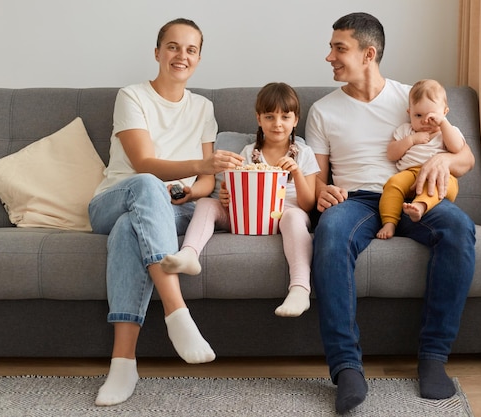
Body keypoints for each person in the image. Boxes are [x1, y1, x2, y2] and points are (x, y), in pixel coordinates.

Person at [304, 12, 476, 414]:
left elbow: (464, 156)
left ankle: (433, 359)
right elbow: (317, 181)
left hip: (416, 193)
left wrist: (444, 164)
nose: (329, 56)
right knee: (329, 234)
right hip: (358, 201)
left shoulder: (411, 97)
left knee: (459, 228)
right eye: (331, 47)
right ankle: (346, 368)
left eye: (338, 48)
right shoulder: (323, 110)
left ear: (369, 53)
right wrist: (322, 194)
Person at [87, 18, 243, 407]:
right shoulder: (132, 96)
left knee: (129, 230)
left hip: (173, 208)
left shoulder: (204, 107)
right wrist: (199, 168)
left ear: (199, 58)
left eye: (191, 50)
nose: (181, 56)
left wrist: (193, 188)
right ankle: (178, 314)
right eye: (173, 47)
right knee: (145, 184)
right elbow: (142, 161)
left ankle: (122, 364)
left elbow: (207, 182)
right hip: (116, 198)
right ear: (157, 52)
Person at [162, 82, 320, 318]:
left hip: (284, 213)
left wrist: (296, 172)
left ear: (295, 120)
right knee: (206, 203)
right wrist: (226, 197)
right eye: (269, 116)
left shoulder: (304, 153)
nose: (277, 123)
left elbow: (308, 204)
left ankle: (299, 288)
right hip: (248, 216)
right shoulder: (248, 153)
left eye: (285, 117)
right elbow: (234, 190)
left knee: (294, 217)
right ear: (259, 118)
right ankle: (189, 254)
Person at [376, 79, 465, 239]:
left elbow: (457, 148)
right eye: (418, 115)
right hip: (410, 174)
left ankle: (420, 206)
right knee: (392, 184)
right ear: (409, 113)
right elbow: (391, 154)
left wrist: (443, 124)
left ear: (445, 112)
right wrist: (411, 140)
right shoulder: (406, 131)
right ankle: (389, 222)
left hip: (441, 176)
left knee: (439, 187)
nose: (425, 120)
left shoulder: (447, 132)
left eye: (432, 116)